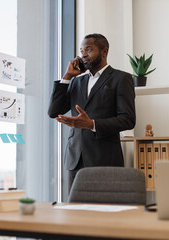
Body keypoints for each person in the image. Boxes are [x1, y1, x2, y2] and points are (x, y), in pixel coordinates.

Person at [48, 33, 136, 192]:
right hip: (75, 159)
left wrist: (92, 124)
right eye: (81, 51)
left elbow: (128, 119)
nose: (83, 56)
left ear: (104, 51)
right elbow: (54, 111)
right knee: (76, 212)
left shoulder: (121, 78)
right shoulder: (76, 81)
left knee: (103, 211)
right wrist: (67, 77)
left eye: (88, 50)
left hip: (104, 159)